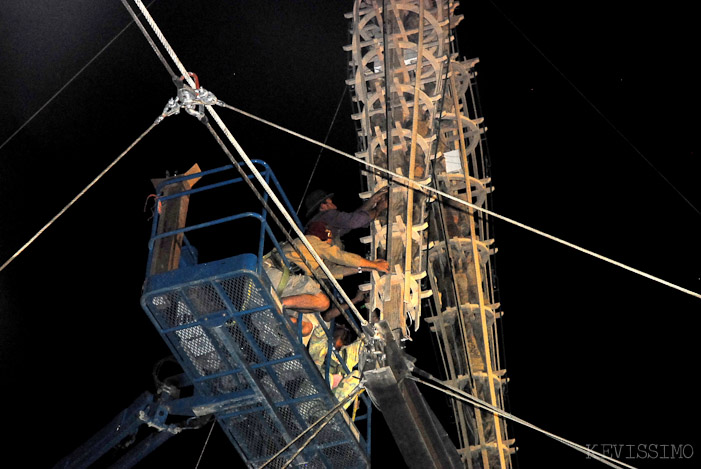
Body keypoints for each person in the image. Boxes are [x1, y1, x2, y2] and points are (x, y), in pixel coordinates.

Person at [283, 221, 390, 280]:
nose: (332, 243)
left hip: (284, 274)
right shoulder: (312, 241)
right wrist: (374, 265)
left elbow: (329, 272)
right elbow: (340, 257)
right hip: (282, 272)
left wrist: (365, 268)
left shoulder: (308, 253)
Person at [304, 187, 388, 248]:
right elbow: (355, 221)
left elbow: (352, 219)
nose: (335, 206)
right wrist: (378, 209)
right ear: (323, 206)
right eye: (330, 202)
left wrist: (373, 200)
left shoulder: (320, 222)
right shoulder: (328, 215)